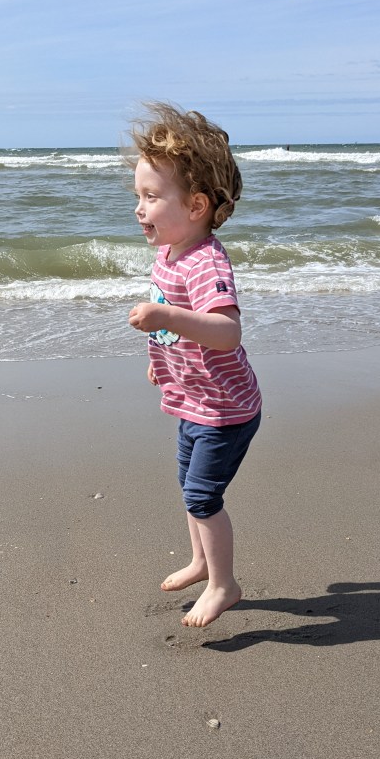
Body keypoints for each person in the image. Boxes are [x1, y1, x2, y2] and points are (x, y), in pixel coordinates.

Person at [127, 104, 262, 628]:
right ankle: (201, 562)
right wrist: (160, 359)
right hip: (192, 398)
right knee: (189, 487)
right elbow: (178, 332)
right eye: (138, 196)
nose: (139, 209)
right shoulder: (169, 253)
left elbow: (226, 331)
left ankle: (224, 584)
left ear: (197, 204)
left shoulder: (206, 261)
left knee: (204, 497)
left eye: (151, 197)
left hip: (225, 409)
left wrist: (165, 316)